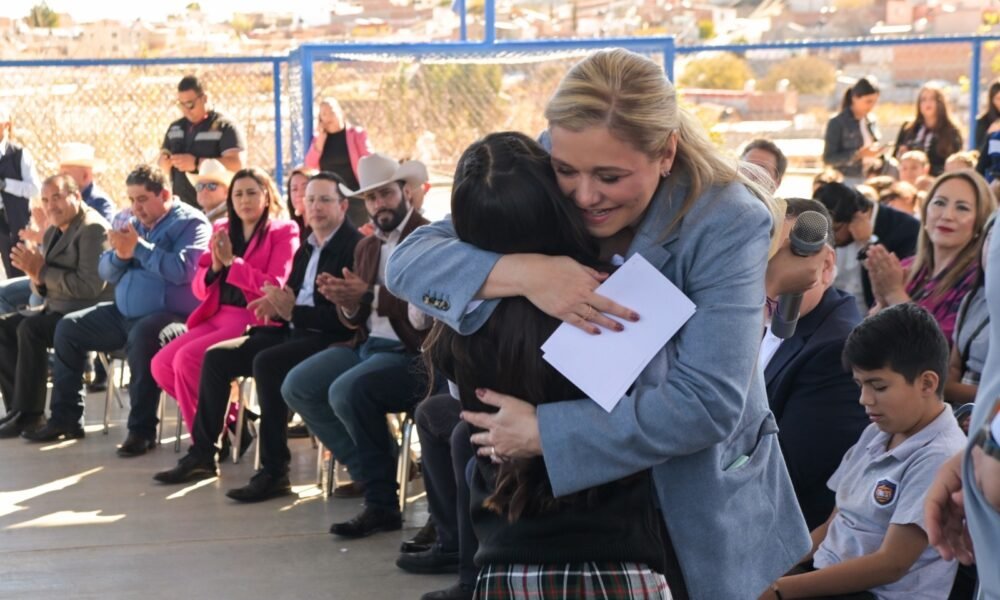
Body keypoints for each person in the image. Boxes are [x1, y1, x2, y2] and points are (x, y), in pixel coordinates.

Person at [386, 48, 810, 599]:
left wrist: (546, 432)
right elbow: (409, 263)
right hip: (569, 519)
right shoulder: (557, 155)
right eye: (566, 172)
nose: (585, 196)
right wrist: (526, 273)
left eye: (611, 177)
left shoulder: (725, 217)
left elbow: (707, 403)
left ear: (665, 153)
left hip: (690, 501)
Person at [426, 131, 669, 599]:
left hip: (506, 561)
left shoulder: (457, 320)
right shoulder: (624, 297)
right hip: (618, 559)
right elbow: (662, 420)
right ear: (554, 198)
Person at [152, 172, 362, 493]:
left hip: (313, 332)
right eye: (310, 200)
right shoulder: (306, 244)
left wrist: (237, 267)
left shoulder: (329, 241)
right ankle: (204, 453)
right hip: (276, 322)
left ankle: (274, 470)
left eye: (324, 200)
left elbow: (326, 310)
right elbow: (282, 293)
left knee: (263, 363)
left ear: (343, 206)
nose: (316, 207)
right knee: (212, 358)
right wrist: (226, 273)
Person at [761, 303, 967, 600]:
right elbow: (833, 524)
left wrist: (780, 590)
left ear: (927, 383)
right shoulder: (876, 433)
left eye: (878, 386)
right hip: (830, 578)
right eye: (859, 385)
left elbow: (891, 565)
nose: (864, 399)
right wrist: (772, 572)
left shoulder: (939, 456)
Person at [281, 153, 431, 538]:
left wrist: (368, 295)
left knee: (347, 390)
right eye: (371, 198)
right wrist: (345, 300)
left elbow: (429, 307)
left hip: (412, 353)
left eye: (386, 194)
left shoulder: (428, 238)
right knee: (298, 385)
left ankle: (381, 504)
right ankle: (375, 471)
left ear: (406, 193)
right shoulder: (367, 246)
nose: (379, 204)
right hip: (366, 345)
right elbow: (355, 318)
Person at [24, 165, 210, 454]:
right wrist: (121, 256)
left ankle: (141, 431)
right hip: (123, 313)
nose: (136, 207)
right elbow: (105, 271)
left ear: (165, 195)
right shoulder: (132, 222)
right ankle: (66, 418)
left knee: (143, 337)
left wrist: (139, 249)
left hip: (171, 318)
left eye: (143, 199)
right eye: (132, 200)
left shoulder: (191, 223)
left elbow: (185, 270)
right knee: (68, 328)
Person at [151, 168, 298, 437]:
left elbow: (274, 285)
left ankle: (203, 445)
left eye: (252, 193)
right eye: (238, 194)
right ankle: (234, 423)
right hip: (216, 315)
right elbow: (199, 286)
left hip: (252, 318)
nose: (245, 200)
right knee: (161, 365)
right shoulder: (222, 228)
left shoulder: (283, 231)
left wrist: (233, 263)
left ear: (266, 196)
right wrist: (215, 269)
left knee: (186, 359)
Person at [762, 199, 869, 530]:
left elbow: (782, 472)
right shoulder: (757, 316)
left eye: (789, 256)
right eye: (764, 257)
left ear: (826, 265)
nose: (775, 271)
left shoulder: (837, 349)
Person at [0, 175, 112, 437]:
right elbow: (41, 284)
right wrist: (36, 277)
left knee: (31, 329)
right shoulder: (53, 231)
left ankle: (31, 414)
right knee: (4, 327)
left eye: (57, 197)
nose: (51, 206)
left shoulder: (93, 229)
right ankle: (19, 409)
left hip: (88, 314)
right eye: (45, 200)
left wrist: (42, 272)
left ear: (77, 196)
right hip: (57, 309)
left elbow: (90, 287)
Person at [866, 169, 996, 343]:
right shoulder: (906, 266)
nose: (947, 215)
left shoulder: (979, 281)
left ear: (980, 222)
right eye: (939, 203)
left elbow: (941, 349)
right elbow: (866, 340)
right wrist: (882, 302)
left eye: (962, 208)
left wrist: (894, 294)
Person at [814, 182, 920, 313]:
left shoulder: (907, 229)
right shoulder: (831, 235)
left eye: (835, 229)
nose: (829, 237)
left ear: (857, 216)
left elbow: (894, 285)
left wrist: (867, 243)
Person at [158, 75, 246, 209]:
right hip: (182, 207)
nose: (186, 110)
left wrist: (197, 163)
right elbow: (162, 166)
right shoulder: (175, 128)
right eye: (181, 105)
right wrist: (165, 163)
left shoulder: (224, 126)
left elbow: (237, 164)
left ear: (204, 98)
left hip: (217, 208)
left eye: (190, 104)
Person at [944, 214, 995, 407]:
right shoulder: (973, 298)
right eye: (990, 238)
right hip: (962, 409)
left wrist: (946, 388)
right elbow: (954, 367)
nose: (994, 249)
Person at [304, 97, 372, 227]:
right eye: (324, 114)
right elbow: (310, 164)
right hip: (331, 198)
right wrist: (321, 140)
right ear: (320, 118)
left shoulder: (356, 134)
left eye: (332, 112)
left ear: (340, 112)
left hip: (355, 195)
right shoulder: (319, 139)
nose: (328, 116)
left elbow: (369, 159)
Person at [0, 105, 40, 279]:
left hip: (14, 224)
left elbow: (34, 188)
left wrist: (5, 185)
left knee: (17, 273)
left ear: (6, 125)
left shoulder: (19, 155)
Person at [894, 84, 963, 177]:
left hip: (937, 180)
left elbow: (955, 162)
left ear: (940, 103)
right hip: (908, 179)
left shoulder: (951, 131)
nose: (927, 103)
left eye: (932, 99)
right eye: (923, 99)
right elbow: (895, 157)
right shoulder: (908, 128)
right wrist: (902, 154)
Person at [823, 77, 882, 185]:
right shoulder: (837, 123)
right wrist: (857, 155)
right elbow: (829, 159)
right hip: (846, 180)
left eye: (874, 102)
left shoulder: (871, 120)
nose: (871, 106)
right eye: (868, 101)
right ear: (855, 98)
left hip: (870, 178)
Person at [58, 142, 115, 222]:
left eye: (66, 174)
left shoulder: (99, 203)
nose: (60, 179)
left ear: (85, 176)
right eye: (59, 174)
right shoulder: (64, 201)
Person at [186, 158, 234, 222]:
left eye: (211, 186)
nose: (204, 190)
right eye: (199, 186)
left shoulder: (230, 218)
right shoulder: (196, 217)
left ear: (226, 191)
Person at [285, 165, 315, 241]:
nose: (299, 193)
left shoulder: (325, 229)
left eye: (305, 187)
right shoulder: (292, 231)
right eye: (294, 189)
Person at [974, 78, 1000, 151]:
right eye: (998, 99)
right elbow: (978, 150)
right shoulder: (983, 122)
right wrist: (989, 134)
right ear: (992, 100)